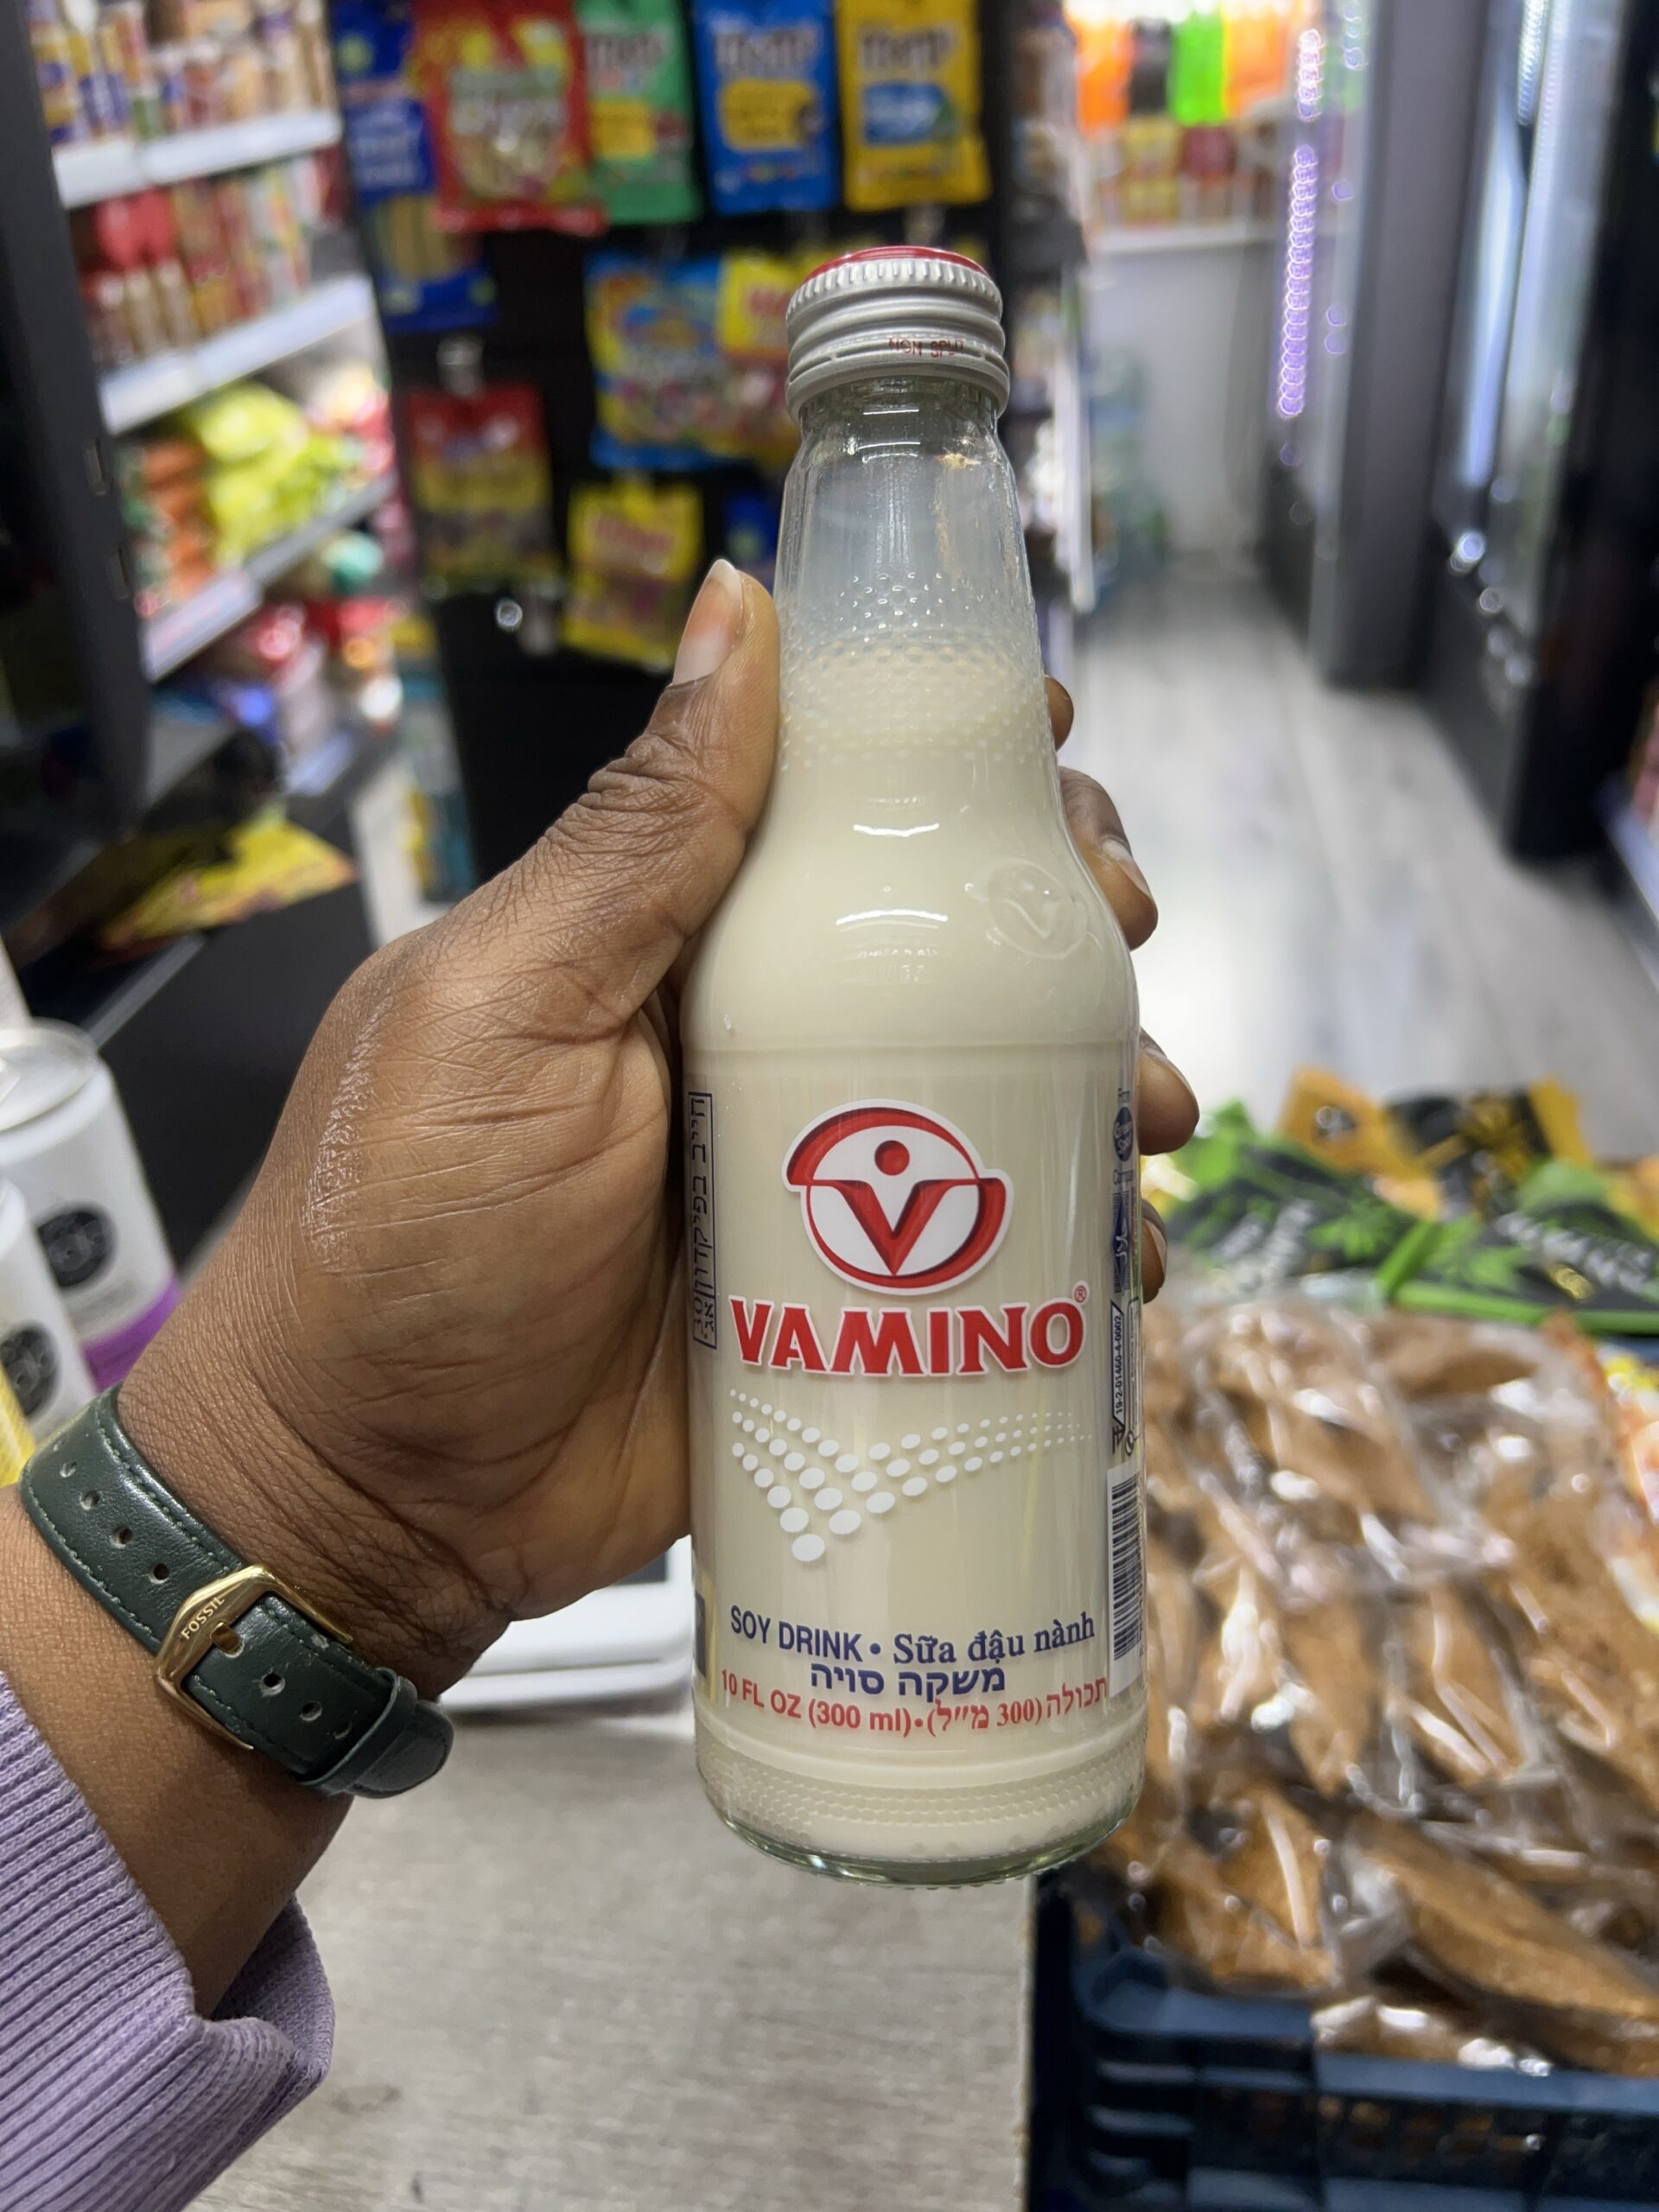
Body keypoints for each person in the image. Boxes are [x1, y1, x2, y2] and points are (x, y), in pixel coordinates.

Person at [0, 563, 1198, 2212]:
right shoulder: (771, 903)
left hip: (1036, 1673)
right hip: (780, 1671)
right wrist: (315, 1490)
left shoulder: (984, 887)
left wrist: (332, 1520)